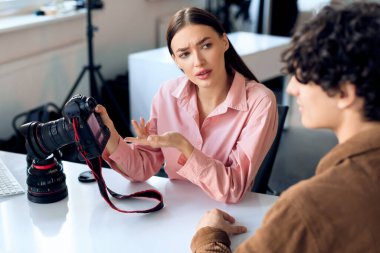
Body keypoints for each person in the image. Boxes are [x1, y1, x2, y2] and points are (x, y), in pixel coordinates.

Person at [191, 2, 380, 252]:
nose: (291, 88)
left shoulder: (310, 208)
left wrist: (209, 235)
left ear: (344, 92)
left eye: (302, 75)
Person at [96, 7, 278, 203]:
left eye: (206, 46)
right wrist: (110, 134)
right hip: (177, 209)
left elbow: (233, 188)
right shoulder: (167, 94)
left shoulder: (260, 101)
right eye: (185, 54)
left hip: (229, 214)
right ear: (176, 61)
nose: (198, 61)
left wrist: (183, 146)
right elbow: (140, 170)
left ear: (224, 42)